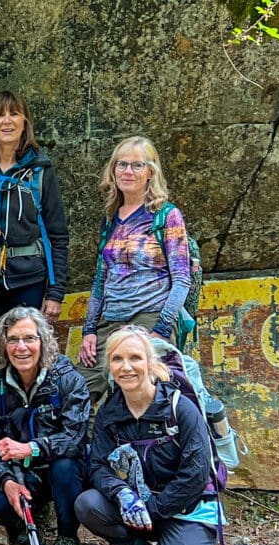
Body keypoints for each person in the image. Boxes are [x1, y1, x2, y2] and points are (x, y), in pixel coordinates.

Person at [75, 325, 223, 545]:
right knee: (87, 504)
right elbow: (97, 466)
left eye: (135, 358)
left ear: (150, 363)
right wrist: (122, 493)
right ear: (109, 366)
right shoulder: (110, 412)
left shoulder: (180, 409)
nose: (126, 367)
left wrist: (153, 511)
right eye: (117, 359)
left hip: (186, 510)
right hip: (139, 508)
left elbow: (196, 475)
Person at [0, 306, 93, 545]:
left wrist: (31, 448)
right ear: (3, 345)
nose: (21, 347)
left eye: (29, 338)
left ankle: (67, 540)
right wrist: (7, 482)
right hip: (23, 474)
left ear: (43, 341)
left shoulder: (67, 380)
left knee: (65, 467)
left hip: (64, 473)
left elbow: (75, 438)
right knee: (0, 502)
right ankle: (33, 514)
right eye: (13, 339)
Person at [76, 136, 193, 402]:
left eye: (137, 166)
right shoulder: (111, 217)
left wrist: (161, 330)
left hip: (150, 315)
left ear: (151, 172)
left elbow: (182, 279)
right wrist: (90, 330)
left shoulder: (166, 216)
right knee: (79, 389)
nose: (127, 172)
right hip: (112, 319)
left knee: (136, 390)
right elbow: (100, 279)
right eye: (122, 164)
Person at [0, 90, 70, 331]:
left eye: (14, 114)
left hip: (29, 278)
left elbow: (57, 235)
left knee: (23, 347)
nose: (7, 121)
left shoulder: (40, 170)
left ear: (24, 122)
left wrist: (55, 293)